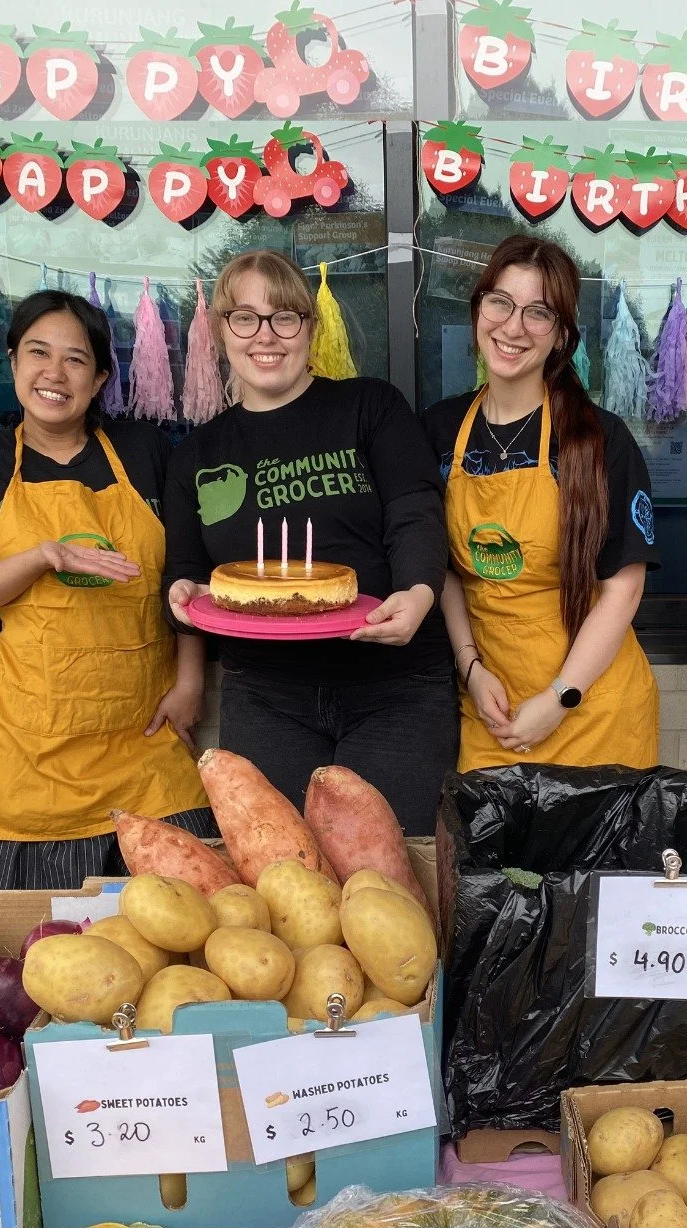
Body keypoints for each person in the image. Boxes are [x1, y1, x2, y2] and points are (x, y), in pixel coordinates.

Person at [0, 289, 210, 889]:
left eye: (76, 359)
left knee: (184, 929)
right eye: (37, 353)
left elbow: (184, 576)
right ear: (12, 362)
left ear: (102, 376)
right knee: (37, 959)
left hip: (145, 738)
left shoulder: (143, 451)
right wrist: (42, 557)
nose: (54, 373)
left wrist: (189, 682)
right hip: (28, 749)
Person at [165, 249, 455, 835]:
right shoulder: (198, 454)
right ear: (221, 330)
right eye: (244, 317)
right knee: (281, 876)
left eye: (285, 317)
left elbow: (414, 510)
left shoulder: (370, 407)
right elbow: (188, 566)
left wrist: (420, 594)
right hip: (267, 696)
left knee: (392, 876)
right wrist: (186, 594)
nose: (265, 336)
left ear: (310, 328)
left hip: (396, 686)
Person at [423, 235, 660, 773]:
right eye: (500, 302)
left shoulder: (601, 439)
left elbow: (623, 590)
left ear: (560, 337)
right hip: (493, 714)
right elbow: (446, 574)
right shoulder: (438, 431)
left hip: (594, 712)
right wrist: (472, 669)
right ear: (478, 310)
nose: (513, 327)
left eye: (539, 313)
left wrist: (559, 699)